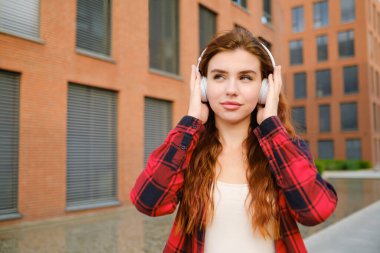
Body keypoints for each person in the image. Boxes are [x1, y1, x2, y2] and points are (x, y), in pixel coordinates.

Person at [130, 27, 338, 253]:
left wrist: (271, 125)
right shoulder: (188, 148)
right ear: (202, 85)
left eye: (245, 78)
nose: (231, 90)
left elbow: (316, 211)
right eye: (219, 76)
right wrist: (191, 121)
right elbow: (147, 202)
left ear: (265, 87)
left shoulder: (284, 150)